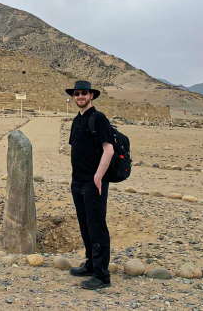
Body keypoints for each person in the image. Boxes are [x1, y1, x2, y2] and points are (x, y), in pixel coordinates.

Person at [66, 81, 115, 290]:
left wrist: (98, 176)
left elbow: (109, 150)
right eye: (77, 93)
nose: (80, 96)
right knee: (85, 225)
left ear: (91, 95)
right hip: (78, 181)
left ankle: (102, 276)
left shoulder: (99, 118)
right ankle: (91, 265)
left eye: (84, 93)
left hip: (94, 182)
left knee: (97, 227)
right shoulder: (77, 120)